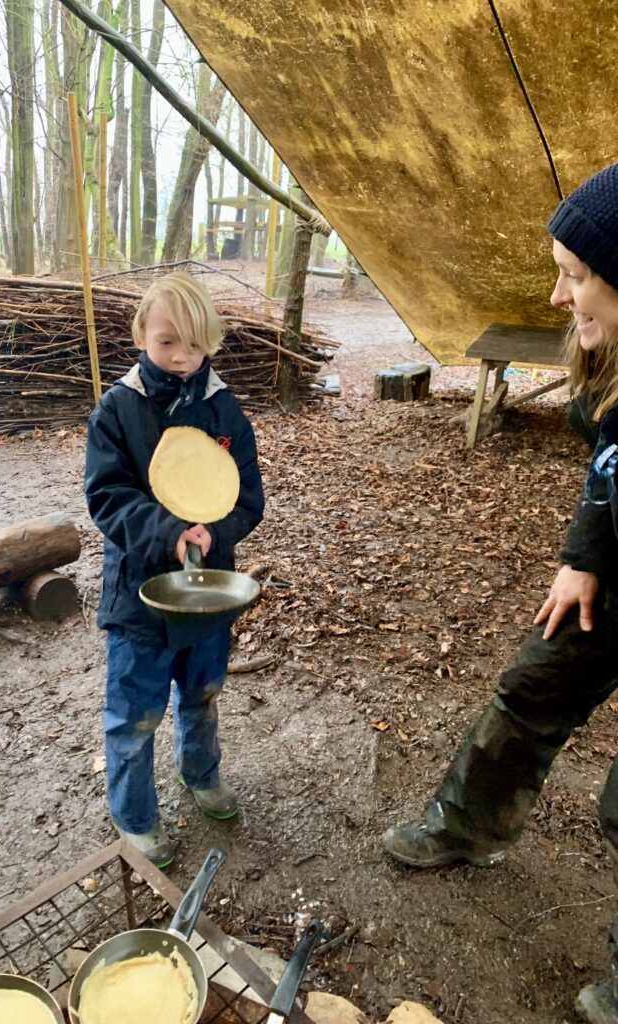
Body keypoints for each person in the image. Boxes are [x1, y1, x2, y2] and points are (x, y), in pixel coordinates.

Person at [382, 162, 618, 1022]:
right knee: (532, 688)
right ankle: (468, 825)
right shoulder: (611, 367)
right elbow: (607, 466)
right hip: (617, 579)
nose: (558, 297)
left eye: (576, 274)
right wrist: (585, 555)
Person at [85, 271, 264, 868]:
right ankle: (135, 816)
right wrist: (168, 532)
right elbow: (108, 496)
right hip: (139, 597)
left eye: (193, 343)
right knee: (134, 715)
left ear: (210, 340)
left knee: (204, 692)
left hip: (209, 595)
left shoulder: (224, 410)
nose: (181, 355)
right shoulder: (118, 409)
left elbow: (248, 499)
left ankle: (201, 773)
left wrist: (217, 532)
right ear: (141, 334)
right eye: (166, 342)